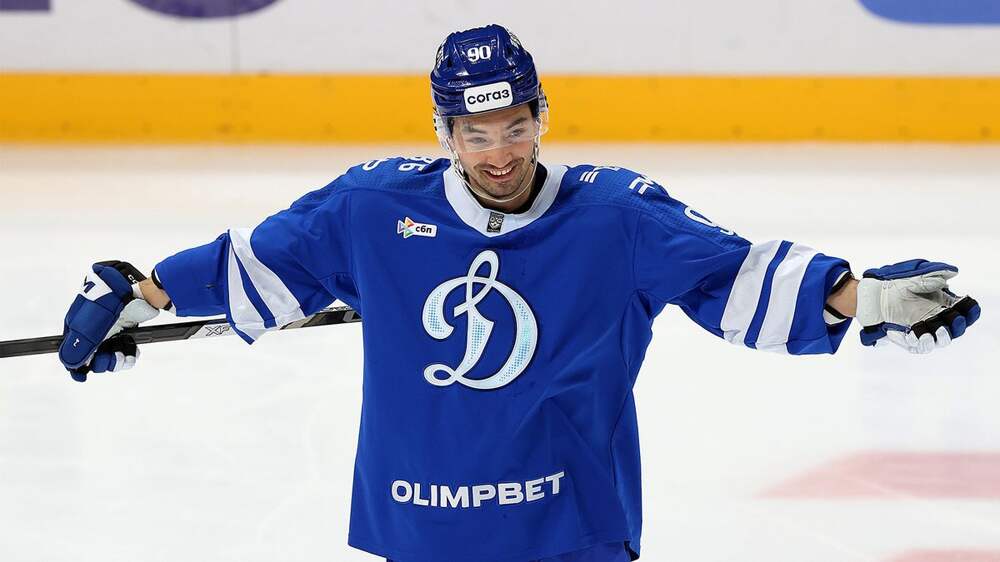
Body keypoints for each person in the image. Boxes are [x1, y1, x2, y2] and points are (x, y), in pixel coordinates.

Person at [57, 24, 980, 562]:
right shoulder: (372, 209)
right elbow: (256, 265)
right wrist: (138, 292)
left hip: (567, 529)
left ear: (542, 117)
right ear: (445, 133)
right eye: (476, 133)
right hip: (422, 523)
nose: (498, 153)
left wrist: (863, 300)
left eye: (514, 126)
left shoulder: (615, 215)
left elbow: (733, 277)